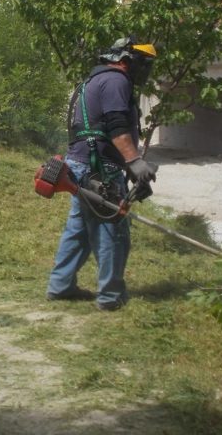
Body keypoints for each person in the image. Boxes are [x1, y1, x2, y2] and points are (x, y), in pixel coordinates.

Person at [46, 36, 158, 311]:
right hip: (100, 170)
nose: (145, 71)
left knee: (80, 231)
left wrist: (129, 165)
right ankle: (110, 297)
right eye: (144, 64)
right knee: (112, 230)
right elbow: (117, 125)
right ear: (125, 60)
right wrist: (134, 161)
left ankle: (60, 286)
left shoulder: (94, 81)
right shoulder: (116, 80)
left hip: (83, 166)